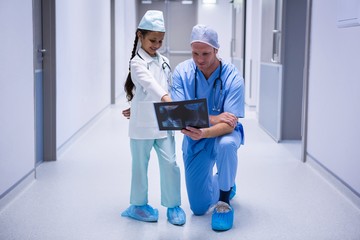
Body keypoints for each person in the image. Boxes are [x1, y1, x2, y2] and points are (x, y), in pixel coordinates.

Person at [170, 24, 245, 231]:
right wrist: (214, 118)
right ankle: (226, 182)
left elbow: (230, 124)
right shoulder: (182, 72)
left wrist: (205, 129)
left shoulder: (232, 77)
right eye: (195, 53)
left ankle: (224, 201)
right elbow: (179, 113)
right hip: (195, 139)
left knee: (227, 145)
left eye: (205, 53)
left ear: (216, 50)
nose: (200, 59)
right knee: (199, 208)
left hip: (223, 135)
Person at [121, 10, 186, 226]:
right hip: (142, 126)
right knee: (140, 165)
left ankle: (173, 205)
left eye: (160, 41)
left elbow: (166, 86)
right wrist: (162, 101)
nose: (157, 45)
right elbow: (149, 84)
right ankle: (138, 206)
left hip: (163, 122)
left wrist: (171, 102)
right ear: (140, 36)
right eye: (152, 40)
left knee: (171, 164)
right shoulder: (136, 62)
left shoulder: (165, 61)